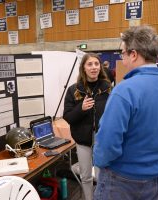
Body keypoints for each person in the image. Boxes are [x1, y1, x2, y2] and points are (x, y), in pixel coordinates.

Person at [93, 25, 158, 200]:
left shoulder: (124, 90)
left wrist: (100, 163)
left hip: (121, 180)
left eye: (122, 53)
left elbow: (107, 141)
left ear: (134, 54)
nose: (121, 58)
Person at [63, 53, 111, 200]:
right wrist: (81, 109)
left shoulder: (107, 87)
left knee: (101, 174)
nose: (94, 67)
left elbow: (113, 111)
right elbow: (68, 117)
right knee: (86, 176)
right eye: (89, 64)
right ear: (83, 68)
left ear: (100, 67)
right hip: (82, 140)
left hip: (102, 138)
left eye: (96, 64)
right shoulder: (73, 90)